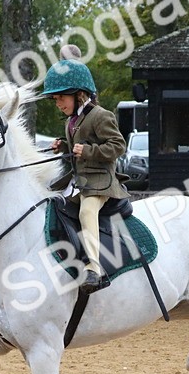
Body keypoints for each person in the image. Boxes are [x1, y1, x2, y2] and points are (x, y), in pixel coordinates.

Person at [42, 44, 127, 294]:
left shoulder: (101, 115)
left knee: (87, 213)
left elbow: (118, 145)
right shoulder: (72, 120)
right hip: (79, 182)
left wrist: (88, 151)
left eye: (61, 98)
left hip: (100, 183)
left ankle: (94, 268)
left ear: (78, 94)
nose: (58, 103)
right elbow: (77, 141)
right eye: (55, 99)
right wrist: (61, 144)